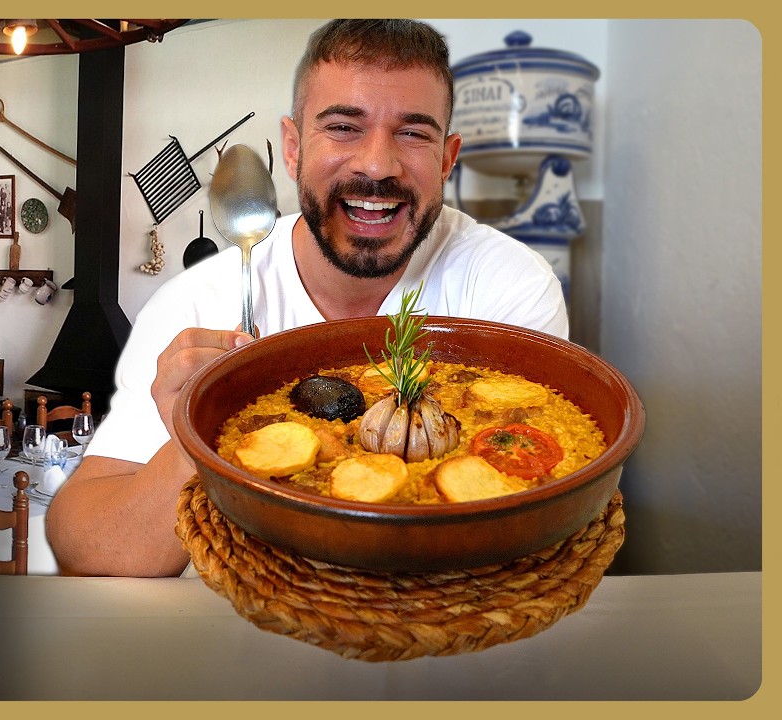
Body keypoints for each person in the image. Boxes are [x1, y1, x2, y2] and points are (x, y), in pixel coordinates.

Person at [46, 20, 568, 577]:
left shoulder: (508, 284)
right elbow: (91, 548)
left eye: (414, 134)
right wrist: (199, 438)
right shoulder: (197, 304)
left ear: (446, 158)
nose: (377, 164)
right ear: (292, 150)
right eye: (343, 127)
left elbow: (529, 538)